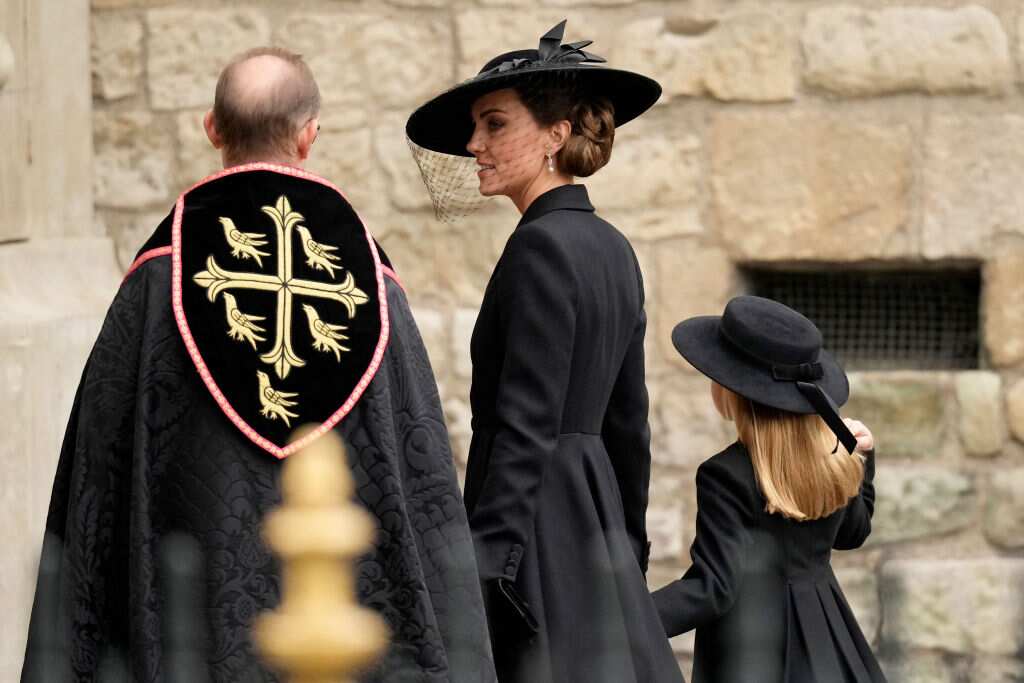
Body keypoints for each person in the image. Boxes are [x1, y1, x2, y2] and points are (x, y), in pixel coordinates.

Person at [22, 47, 495, 683]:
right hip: (344, 634)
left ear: (212, 128)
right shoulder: (371, 281)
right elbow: (419, 475)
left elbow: (97, 491)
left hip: (201, 629)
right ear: (309, 136)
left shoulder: (159, 278)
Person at [406, 20, 683, 683]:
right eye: (476, 128)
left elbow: (524, 426)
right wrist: (625, 547)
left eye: (495, 124)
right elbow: (628, 427)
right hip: (593, 520)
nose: (474, 144)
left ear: (556, 134)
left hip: (538, 529)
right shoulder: (613, 246)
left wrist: (485, 568)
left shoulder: (539, 246)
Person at [651, 295, 887, 682]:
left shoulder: (724, 475)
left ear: (732, 391)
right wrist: (863, 460)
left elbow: (713, 588)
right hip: (828, 641)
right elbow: (853, 533)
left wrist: (630, 616)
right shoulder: (830, 457)